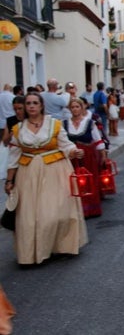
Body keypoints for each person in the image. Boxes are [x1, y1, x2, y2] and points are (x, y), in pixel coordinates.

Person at [5, 92, 88, 265]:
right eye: (28, 103)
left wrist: (74, 151)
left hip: (55, 171)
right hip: (28, 175)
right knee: (29, 217)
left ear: (42, 105)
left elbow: (66, 145)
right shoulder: (18, 129)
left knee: (57, 213)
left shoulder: (55, 124)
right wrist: (9, 180)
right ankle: (33, 254)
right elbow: (13, 156)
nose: (32, 106)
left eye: (35, 103)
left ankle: (62, 246)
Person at [63, 98, 107, 218]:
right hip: (72, 157)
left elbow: (98, 140)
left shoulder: (89, 123)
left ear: (82, 108)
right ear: (69, 109)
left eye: (77, 106)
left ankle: (90, 209)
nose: (75, 109)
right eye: (72, 107)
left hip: (87, 156)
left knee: (88, 181)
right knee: (73, 182)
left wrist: (103, 155)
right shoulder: (64, 124)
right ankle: (75, 210)